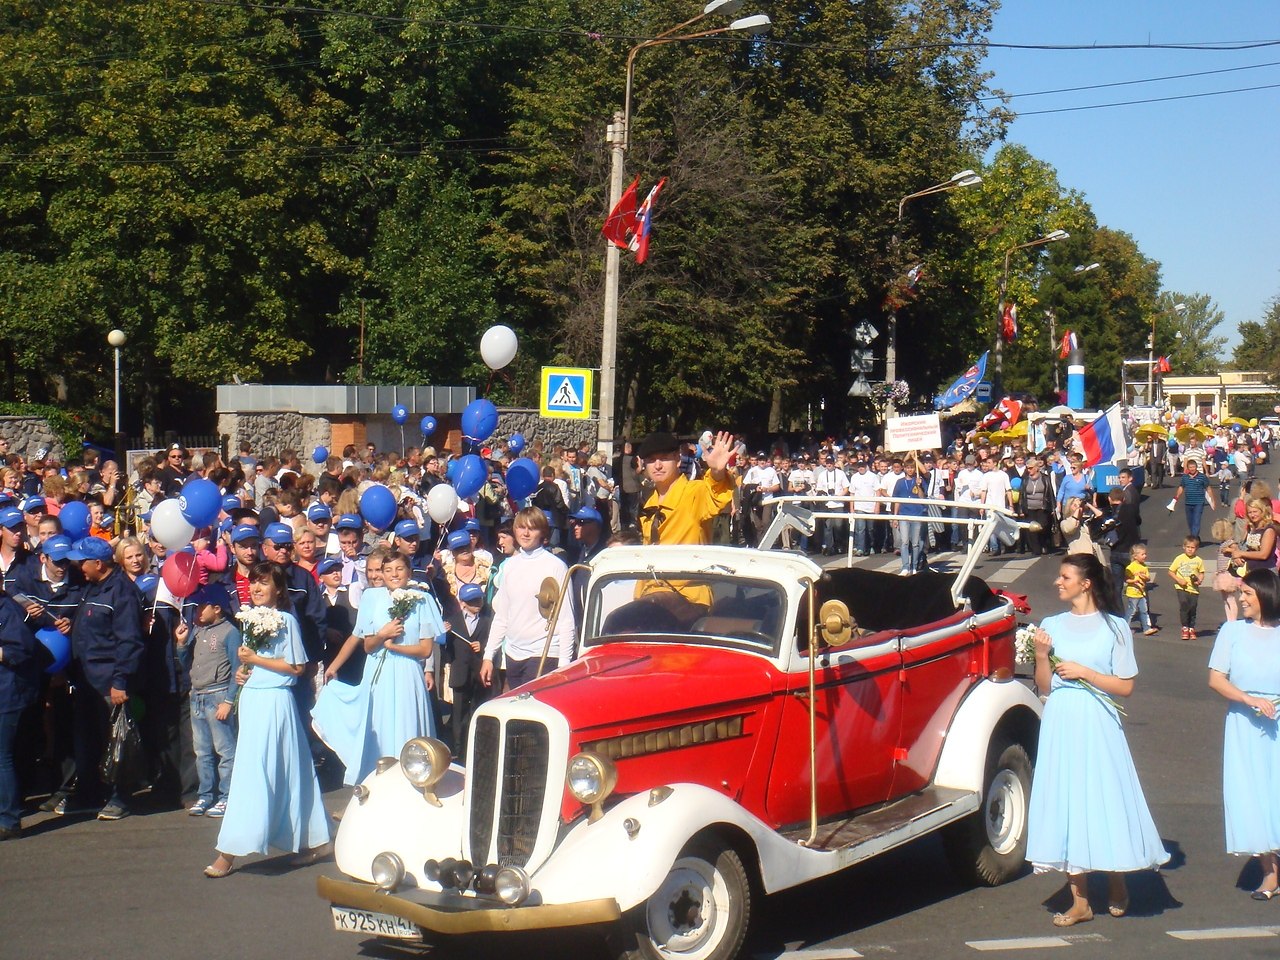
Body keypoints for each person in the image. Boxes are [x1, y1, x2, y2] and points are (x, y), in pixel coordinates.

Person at [1026, 553, 1169, 926]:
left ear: (1085, 583)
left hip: (1098, 723)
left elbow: (1125, 686)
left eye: (1065, 576)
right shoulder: (1051, 624)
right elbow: (1044, 686)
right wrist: (1042, 655)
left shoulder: (1115, 627)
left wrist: (1087, 673)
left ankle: (1117, 879)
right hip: (1062, 721)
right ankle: (1080, 900)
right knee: (1069, 800)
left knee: (1103, 796)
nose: (1058, 582)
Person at [204, 563, 330, 878]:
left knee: (269, 771)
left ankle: (229, 851)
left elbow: (297, 667)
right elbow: (253, 663)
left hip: (277, 702)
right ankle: (311, 839)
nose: (258, 588)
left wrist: (255, 660)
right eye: (254, 583)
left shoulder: (286, 619)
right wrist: (243, 673)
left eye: (265, 584)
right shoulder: (250, 620)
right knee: (271, 770)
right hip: (254, 700)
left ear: (278, 589)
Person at [1207, 568, 1280, 899]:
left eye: (1248, 593)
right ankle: (1269, 873)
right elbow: (1217, 679)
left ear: (1266, 595)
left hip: (1277, 721)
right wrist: (1250, 699)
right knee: (1253, 795)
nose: (1242, 599)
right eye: (1242, 593)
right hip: (1244, 724)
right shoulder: (1232, 633)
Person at [63, 536, 145, 821]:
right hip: (86, 682)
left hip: (110, 683)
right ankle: (90, 794)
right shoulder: (91, 588)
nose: (78, 567)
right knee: (89, 741)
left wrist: (120, 681)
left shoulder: (122, 592)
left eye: (82, 561)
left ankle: (120, 797)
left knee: (117, 743)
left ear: (98, 563)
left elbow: (129, 641)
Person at [479, 507, 575, 692]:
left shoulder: (556, 566)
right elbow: (502, 616)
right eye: (521, 527)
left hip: (544, 654)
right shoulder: (510, 566)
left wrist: (564, 664)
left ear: (542, 533)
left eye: (532, 528)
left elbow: (566, 619)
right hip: (513, 655)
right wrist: (489, 655)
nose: (526, 533)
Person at [175, 583, 239, 819]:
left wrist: (229, 700)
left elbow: (237, 668)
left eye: (203, 606)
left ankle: (227, 795)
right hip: (197, 695)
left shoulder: (230, 632)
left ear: (217, 608)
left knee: (225, 749)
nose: (198, 611)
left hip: (218, 693)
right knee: (201, 750)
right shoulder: (198, 631)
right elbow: (186, 663)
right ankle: (205, 794)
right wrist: (181, 644)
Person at [635, 431, 736, 547]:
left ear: (678, 460)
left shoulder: (695, 493)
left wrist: (717, 472)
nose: (658, 466)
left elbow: (716, 492)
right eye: (651, 460)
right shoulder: (648, 503)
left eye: (664, 458)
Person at [0, 593, 41, 840]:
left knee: (2, 758)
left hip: (7, 695)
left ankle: (9, 820)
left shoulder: (8, 610)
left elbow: (22, 649)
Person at [444, 582, 490, 759]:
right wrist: (444, 634)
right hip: (460, 674)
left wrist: (484, 646)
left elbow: (496, 643)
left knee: (478, 711)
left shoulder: (488, 621)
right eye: (472, 601)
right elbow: (445, 650)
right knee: (458, 714)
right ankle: (458, 748)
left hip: (480, 674)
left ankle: (478, 747)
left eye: (479, 600)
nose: (477, 604)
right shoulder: (452, 621)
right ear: (462, 603)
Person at [891, 455, 928, 575]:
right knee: (904, 541)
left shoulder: (919, 480)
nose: (910, 470)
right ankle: (905, 566)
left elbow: (922, 497)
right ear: (904, 469)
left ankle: (914, 566)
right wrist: (895, 517)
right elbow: (897, 500)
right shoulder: (900, 482)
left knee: (916, 543)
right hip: (903, 514)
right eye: (908, 467)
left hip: (917, 514)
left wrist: (919, 485)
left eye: (912, 468)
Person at [1169, 535, 1206, 641]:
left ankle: (1191, 627)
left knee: (1193, 608)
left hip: (1193, 589)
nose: (1190, 549)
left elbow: (1201, 573)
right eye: (1188, 547)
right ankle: (1185, 627)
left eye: (1192, 547)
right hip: (1181, 587)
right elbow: (1170, 571)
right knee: (1184, 604)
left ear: (1196, 548)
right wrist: (1178, 580)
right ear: (1184, 547)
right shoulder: (1179, 558)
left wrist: (1200, 579)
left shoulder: (1198, 560)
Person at [1171, 457, 1217, 538]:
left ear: (1196, 467)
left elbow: (1208, 488)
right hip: (1188, 503)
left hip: (1199, 503)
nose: (1192, 469)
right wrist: (1175, 499)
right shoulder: (1185, 477)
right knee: (1190, 523)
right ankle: (1195, 537)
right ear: (1188, 468)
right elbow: (1181, 487)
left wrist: (1212, 501)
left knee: (1196, 521)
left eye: (1194, 467)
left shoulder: (1202, 477)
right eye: (1190, 467)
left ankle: (1193, 539)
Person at [1123, 544, 1158, 635]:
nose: (1145, 556)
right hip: (1133, 593)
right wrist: (1135, 580)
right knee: (1132, 611)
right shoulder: (1131, 567)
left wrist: (1145, 577)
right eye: (1142, 554)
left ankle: (1146, 628)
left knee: (1144, 610)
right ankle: (1125, 628)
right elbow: (1126, 579)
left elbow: (1148, 578)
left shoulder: (1144, 567)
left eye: (1145, 554)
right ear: (1135, 556)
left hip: (1142, 593)